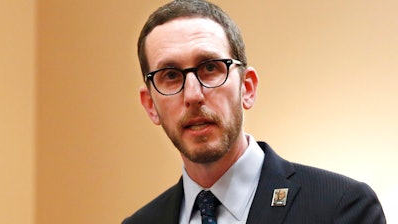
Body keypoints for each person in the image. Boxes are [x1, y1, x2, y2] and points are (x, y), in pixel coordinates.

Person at [122, 0, 386, 223]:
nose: (193, 95)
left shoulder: (341, 207)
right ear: (150, 105)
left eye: (210, 68)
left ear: (247, 88)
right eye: (170, 75)